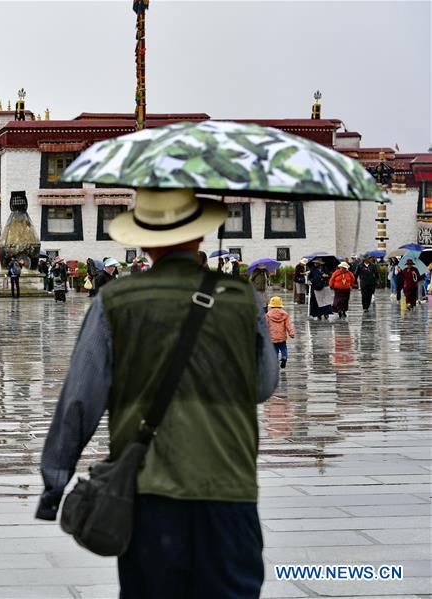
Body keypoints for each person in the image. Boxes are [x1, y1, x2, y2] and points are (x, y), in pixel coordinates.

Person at [36, 189, 277, 598]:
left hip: (150, 494)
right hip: (229, 488)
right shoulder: (243, 300)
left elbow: (81, 398)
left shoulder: (116, 301)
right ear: (200, 236)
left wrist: (54, 484)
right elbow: (263, 386)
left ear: (144, 240)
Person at [266, 296, 295, 369]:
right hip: (282, 337)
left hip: (272, 337)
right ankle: (284, 357)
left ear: (271, 306)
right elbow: (289, 325)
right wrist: (291, 333)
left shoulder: (268, 315)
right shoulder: (285, 314)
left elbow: (265, 325)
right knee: (283, 348)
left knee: (274, 349)